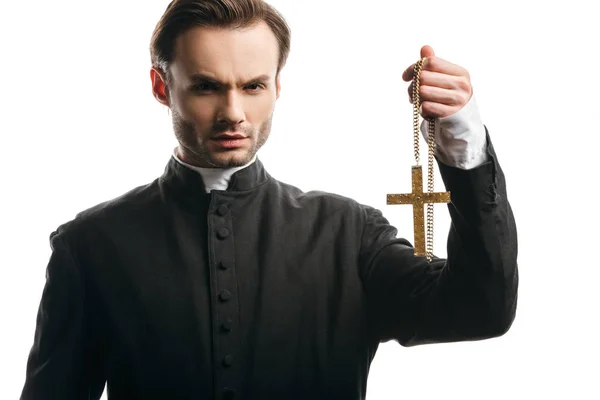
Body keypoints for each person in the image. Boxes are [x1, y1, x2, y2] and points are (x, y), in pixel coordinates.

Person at [20, 0, 519, 399]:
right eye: (207, 87)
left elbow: (481, 310)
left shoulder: (349, 234)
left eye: (253, 85)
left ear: (277, 85)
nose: (233, 112)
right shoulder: (89, 246)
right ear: (161, 86)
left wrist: (461, 136)